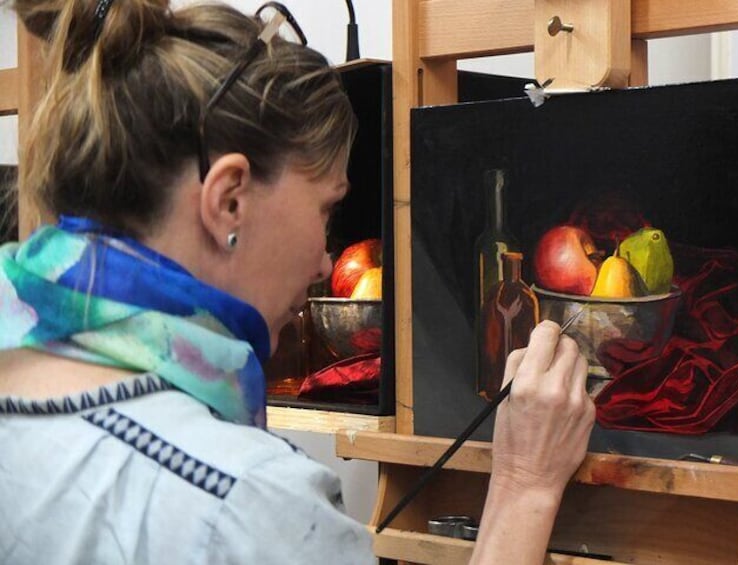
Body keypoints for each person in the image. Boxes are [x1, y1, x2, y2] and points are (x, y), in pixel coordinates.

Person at [0, 1, 595, 563]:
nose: (322, 262)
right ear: (229, 201)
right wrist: (525, 485)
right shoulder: (250, 507)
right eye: (326, 210)